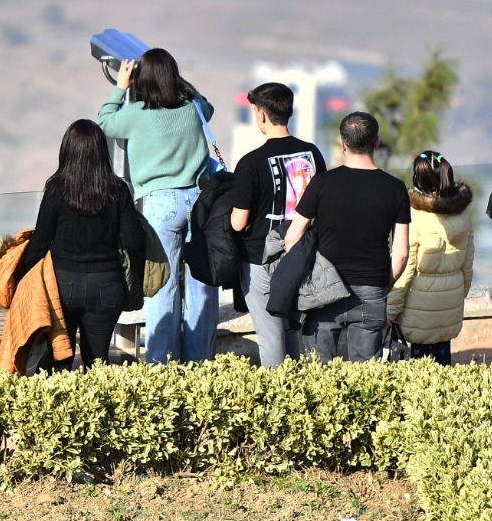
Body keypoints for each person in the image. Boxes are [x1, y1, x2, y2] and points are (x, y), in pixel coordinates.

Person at [97, 48, 219, 364]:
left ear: (142, 79)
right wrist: (181, 83)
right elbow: (208, 105)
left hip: (159, 204)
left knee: (162, 285)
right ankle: (198, 364)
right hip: (197, 201)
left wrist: (121, 85)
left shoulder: (135, 115)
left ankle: (161, 366)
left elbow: (104, 122)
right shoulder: (192, 109)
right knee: (201, 286)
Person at [282, 112, 410, 364]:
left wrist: (305, 278)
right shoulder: (395, 188)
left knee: (319, 377)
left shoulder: (321, 183)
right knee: (365, 382)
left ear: (342, 143)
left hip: (323, 290)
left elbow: (292, 236)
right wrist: (385, 284)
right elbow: (402, 252)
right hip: (372, 289)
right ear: (376, 142)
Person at [17, 120, 146, 367]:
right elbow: (134, 241)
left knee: (59, 360)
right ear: (101, 151)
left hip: (63, 286)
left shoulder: (56, 188)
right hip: (107, 284)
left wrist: (23, 278)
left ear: (67, 150)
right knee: (97, 363)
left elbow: (40, 242)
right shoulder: (117, 189)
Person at [229, 82, 326, 368]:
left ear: (260, 115)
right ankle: (299, 389)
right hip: (305, 255)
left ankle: (279, 399)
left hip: (262, 258)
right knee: (292, 327)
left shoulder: (250, 163)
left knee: (270, 335)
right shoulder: (312, 153)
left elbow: (238, 222)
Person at [387, 150, 474, 365]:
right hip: (450, 300)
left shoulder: (414, 216)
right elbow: (468, 262)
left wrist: (391, 309)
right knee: (443, 358)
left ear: (419, 179)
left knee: (420, 369)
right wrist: (459, 294)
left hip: (419, 307)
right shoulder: (462, 214)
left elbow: (405, 268)